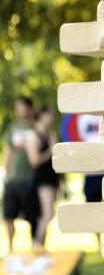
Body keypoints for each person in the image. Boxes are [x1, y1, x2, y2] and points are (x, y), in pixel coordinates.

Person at [2, 95, 38, 254]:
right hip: (13, 180)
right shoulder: (13, 128)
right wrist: (6, 173)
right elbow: (8, 152)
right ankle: (10, 249)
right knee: (9, 216)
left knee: (33, 216)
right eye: (18, 108)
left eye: (23, 107)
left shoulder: (37, 128)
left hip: (31, 180)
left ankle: (35, 248)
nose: (20, 110)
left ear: (30, 108)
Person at [25, 105, 59, 253]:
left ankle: (40, 246)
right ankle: (36, 244)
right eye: (50, 116)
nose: (52, 119)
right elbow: (34, 160)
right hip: (42, 180)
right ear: (43, 116)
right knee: (47, 215)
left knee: (47, 215)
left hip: (50, 178)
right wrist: (51, 149)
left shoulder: (48, 134)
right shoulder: (33, 136)